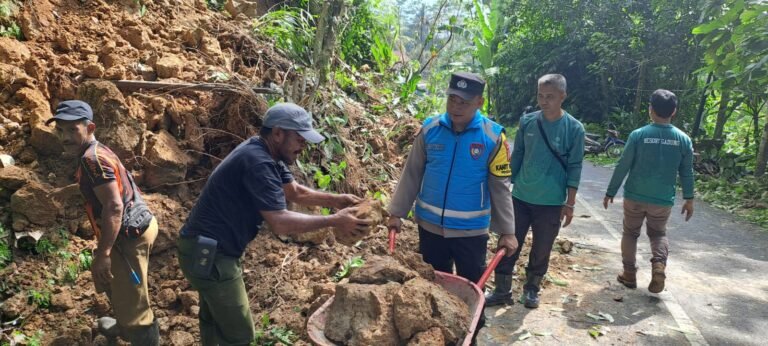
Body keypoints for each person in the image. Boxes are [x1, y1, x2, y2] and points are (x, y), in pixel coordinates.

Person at [177, 103, 372, 345]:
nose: (304, 146)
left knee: (216, 322)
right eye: (299, 139)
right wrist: (335, 220)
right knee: (239, 334)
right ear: (278, 133)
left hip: (205, 250)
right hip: (211, 255)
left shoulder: (265, 152)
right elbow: (280, 222)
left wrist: (337, 200)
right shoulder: (257, 162)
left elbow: (295, 192)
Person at [387, 72, 519, 334]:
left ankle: (471, 337)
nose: (456, 106)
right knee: (432, 291)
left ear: (479, 102)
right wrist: (396, 212)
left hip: (471, 234)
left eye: (464, 102)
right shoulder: (430, 130)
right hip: (430, 228)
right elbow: (411, 174)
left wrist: (508, 231)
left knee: (471, 292)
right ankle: (436, 337)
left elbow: (500, 187)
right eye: (453, 99)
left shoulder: (492, 137)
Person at [49, 100, 159, 344]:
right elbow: (107, 189)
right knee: (116, 284)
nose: (64, 137)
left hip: (128, 236)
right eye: (60, 130)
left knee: (135, 306)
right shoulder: (96, 151)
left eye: (72, 129)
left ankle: (138, 331)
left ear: (90, 128)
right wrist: (69, 191)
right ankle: (123, 322)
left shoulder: (92, 161)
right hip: (140, 221)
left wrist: (104, 253)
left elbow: (113, 205)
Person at [485, 74, 585, 308]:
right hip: (520, 198)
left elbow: (575, 166)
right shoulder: (528, 122)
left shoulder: (574, 129)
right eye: (541, 95)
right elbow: (517, 155)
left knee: (542, 248)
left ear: (563, 96)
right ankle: (501, 290)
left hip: (551, 203)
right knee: (508, 243)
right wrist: (505, 187)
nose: (544, 101)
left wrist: (569, 204)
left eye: (550, 96)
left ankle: (531, 289)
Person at [603, 89, 694, 293]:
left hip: (635, 195)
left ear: (650, 110)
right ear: (674, 112)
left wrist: (610, 192)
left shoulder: (638, 135)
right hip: (662, 200)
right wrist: (689, 198)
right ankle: (658, 267)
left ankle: (629, 274)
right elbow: (687, 172)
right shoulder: (683, 139)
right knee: (658, 233)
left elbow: (623, 165)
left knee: (630, 233)